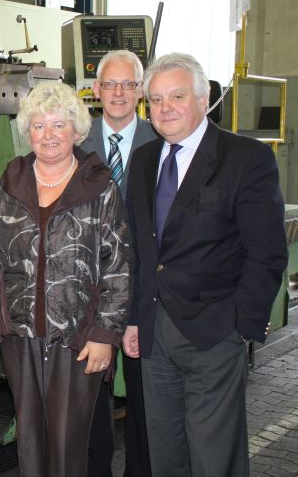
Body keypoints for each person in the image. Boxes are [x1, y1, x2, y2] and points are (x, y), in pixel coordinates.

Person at [123, 53, 287, 477]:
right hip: (155, 334)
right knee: (165, 453)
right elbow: (140, 249)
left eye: (176, 96)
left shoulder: (245, 159)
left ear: (204, 97)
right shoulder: (143, 160)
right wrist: (134, 319)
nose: (165, 108)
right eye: (155, 100)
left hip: (214, 333)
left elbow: (267, 252)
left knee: (214, 457)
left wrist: (240, 327)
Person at [0, 81, 132, 477]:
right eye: (39, 126)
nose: (49, 135)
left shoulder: (98, 186)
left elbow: (119, 265)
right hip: (21, 336)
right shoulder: (11, 184)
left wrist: (103, 335)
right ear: (27, 132)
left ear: (76, 131)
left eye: (59, 125)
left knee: (68, 442)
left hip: (77, 338)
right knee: (30, 437)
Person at [80, 50, 157, 477]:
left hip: (147, 293)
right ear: (96, 90)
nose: (119, 93)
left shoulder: (161, 141)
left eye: (128, 84)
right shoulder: (75, 142)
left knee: (147, 402)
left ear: (140, 90)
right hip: (90, 297)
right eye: (110, 84)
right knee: (92, 406)